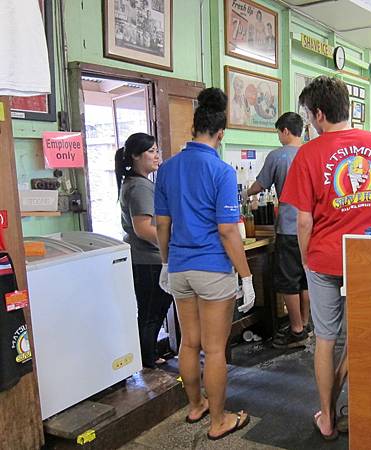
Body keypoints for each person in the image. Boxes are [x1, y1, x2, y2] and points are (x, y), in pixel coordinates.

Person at [280, 76, 371, 440]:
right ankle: (368, 412)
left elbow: (304, 219)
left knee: (326, 339)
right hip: (367, 257)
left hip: (325, 258)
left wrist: (305, 259)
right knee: (362, 335)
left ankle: (327, 419)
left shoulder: (309, 154)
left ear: (319, 113)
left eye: (310, 114)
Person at [154, 88, 255, 441]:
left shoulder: (166, 169)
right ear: (220, 133)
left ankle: (195, 406)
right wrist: (246, 276)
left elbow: (162, 224)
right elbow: (228, 231)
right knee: (214, 348)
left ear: (194, 127)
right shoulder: (222, 171)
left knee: (188, 343)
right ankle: (218, 421)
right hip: (212, 269)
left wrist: (167, 262)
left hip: (179, 268)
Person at [243, 112, 311, 349]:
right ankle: (305, 322)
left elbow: (261, 184)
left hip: (289, 227)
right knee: (305, 279)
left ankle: (296, 330)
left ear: (284, 131)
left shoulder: (277, 156)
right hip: (312, 228)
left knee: (288, 280)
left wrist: (244, 194)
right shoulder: (312, 153)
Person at [114, 133, 173, 369]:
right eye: (151, 151)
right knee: (151, 313)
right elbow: (143, 228)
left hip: (146, 259)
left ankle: (148, 357)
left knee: (153, 311)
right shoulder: (139, 186)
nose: (157, 155)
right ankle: (147, 362)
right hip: (148, 261)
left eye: (157, 150)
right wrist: (171, 244)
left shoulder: (138, 183)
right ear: (135, 157)